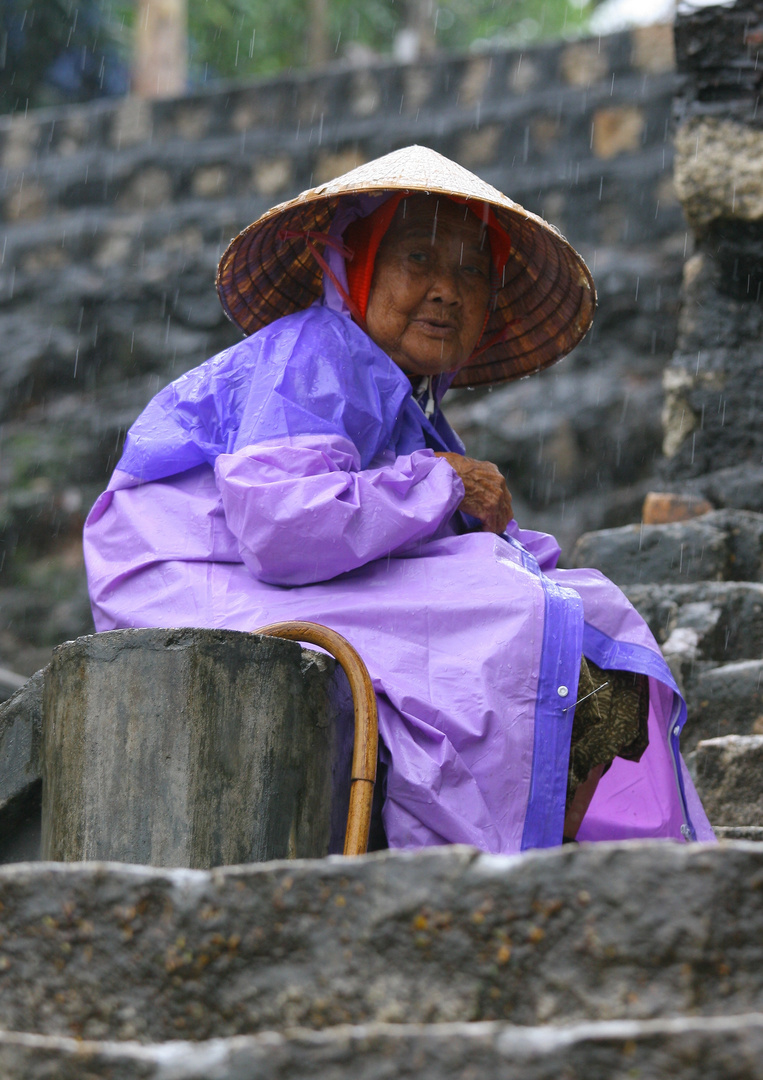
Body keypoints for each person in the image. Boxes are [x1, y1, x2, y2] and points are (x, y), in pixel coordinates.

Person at [84, 145, 714, 852]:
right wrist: (447, 483)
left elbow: (398, 521)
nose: (447, 289)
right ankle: (494, 861)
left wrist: (489, 526)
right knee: (519, 613)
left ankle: (534, 846)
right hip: (191, 577)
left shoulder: (401, 397)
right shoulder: (314, 353)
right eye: (418, 259)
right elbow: (280, 526)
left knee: (592, 616)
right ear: (357, 265)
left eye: (473, 271)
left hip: (279, 576)